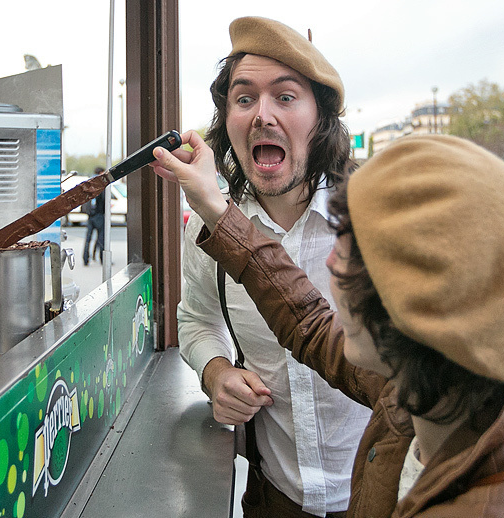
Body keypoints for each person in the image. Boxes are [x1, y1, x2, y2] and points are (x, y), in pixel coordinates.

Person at [153, 133, 504, 517]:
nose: (329, 263)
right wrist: (217, 211)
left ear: (407, 296)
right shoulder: (432, 377)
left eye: (348, 252)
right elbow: (308, 322)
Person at [172, 16, 372, 517]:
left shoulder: (372, 221)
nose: (262, 114)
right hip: (271, 496)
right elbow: (196, 319)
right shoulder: (207, 227)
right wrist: (215, 372)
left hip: (383, 495)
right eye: (244, 98)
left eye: (285, 96)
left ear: (321, 118)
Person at [82, 166, 106, 266]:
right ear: (100, 173)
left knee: (88, 238)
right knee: (101, 238)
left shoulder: (89, 183)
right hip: (99, 214)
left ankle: (85, 258)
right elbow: (104, 200)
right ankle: (102, 258)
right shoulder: (101, 184)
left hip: (90, 215)